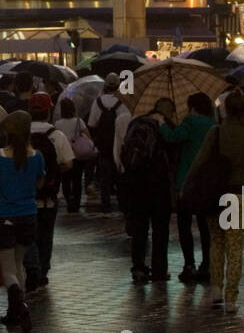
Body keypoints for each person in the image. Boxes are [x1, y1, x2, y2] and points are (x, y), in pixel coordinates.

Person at [185, 90, 244, 311]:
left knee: (216, 243)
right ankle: (231, 298)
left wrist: (186, 185)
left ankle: (216, 289)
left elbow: (199, 161)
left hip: (215, 194)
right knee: (235, 246)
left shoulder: (216, 132)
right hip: (239, 195)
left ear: (226, 109)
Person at [0, 110, 44, 331]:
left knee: (7, 267)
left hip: (4, 216)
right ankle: (16, 309)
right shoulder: (37, 156)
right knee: (20, 262)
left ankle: (20, 306)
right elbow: (39, 184)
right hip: (28, 214)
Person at [121, 97, 177, 285]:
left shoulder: (136, 123)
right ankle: (159, 270)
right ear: (168, 111)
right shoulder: (165, 127)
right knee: (160, 231)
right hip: (159, 186)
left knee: (140, 229)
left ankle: (138, 268)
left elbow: (125, 152)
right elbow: (173, 157)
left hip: (136, 185)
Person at [162, 92, 215, 284]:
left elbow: (172, 137)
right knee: (204, 226)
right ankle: (207, 264)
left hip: (186, 181)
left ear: (192, 107)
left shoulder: (190, 122)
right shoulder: (212, 125)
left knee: (184, 226)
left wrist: (162, 122)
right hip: (207, 181)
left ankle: (189, 265)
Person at [25, 92, 74, 291]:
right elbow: (69, 164)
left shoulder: (21, 134)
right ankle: (42, 271)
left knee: (28, 235)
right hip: (50, 196)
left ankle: (31, 268)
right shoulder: (57, 135)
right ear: (48, 110)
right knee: (46, 235)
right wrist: (51, 172)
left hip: (25, 196)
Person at [87, 73, 129, 214]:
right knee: (120, 177)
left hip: (103, 146)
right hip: (120, 144)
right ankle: (123, 204)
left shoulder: (97, 102)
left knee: (104, 178)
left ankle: (106, 206)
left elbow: (92, 123)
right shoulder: (123, 102)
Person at [54, 98, 89, 213]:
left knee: (65, 180)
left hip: (64, 156)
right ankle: (77, 203)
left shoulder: (58, 124)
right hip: (78, 155)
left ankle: (69, 201)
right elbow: (87, 136)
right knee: (77, 180)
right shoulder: (79, 121)